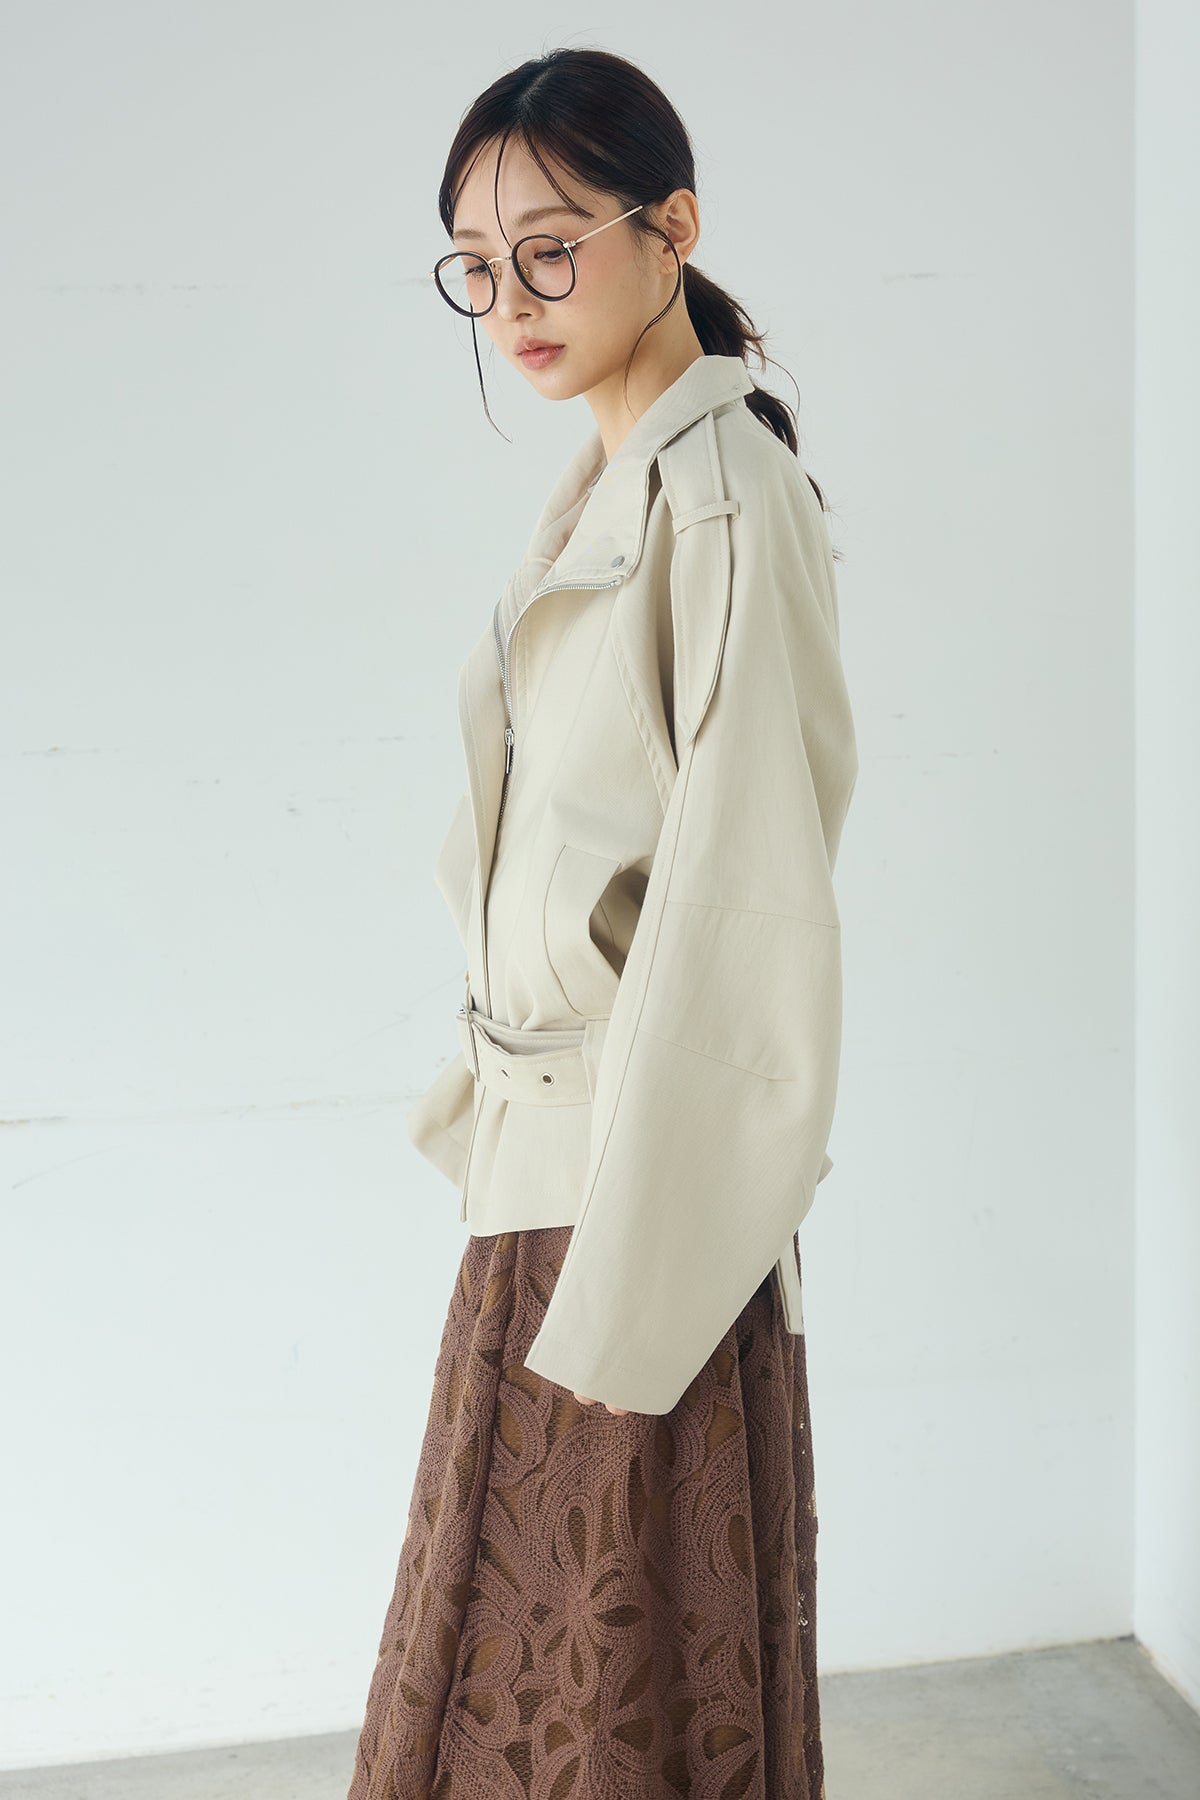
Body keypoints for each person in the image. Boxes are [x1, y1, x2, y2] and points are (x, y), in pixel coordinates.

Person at [347, 45, 857, 1800]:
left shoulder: (722, 497)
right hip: (548, 1188)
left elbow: (751, 914)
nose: (510, 305)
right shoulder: (618, 482)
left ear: (673, 228)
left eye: (551, 250)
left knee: (591, 1696)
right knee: (520, 1687)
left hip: (640, 1208)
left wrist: (640, 1299)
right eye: (476, 268)